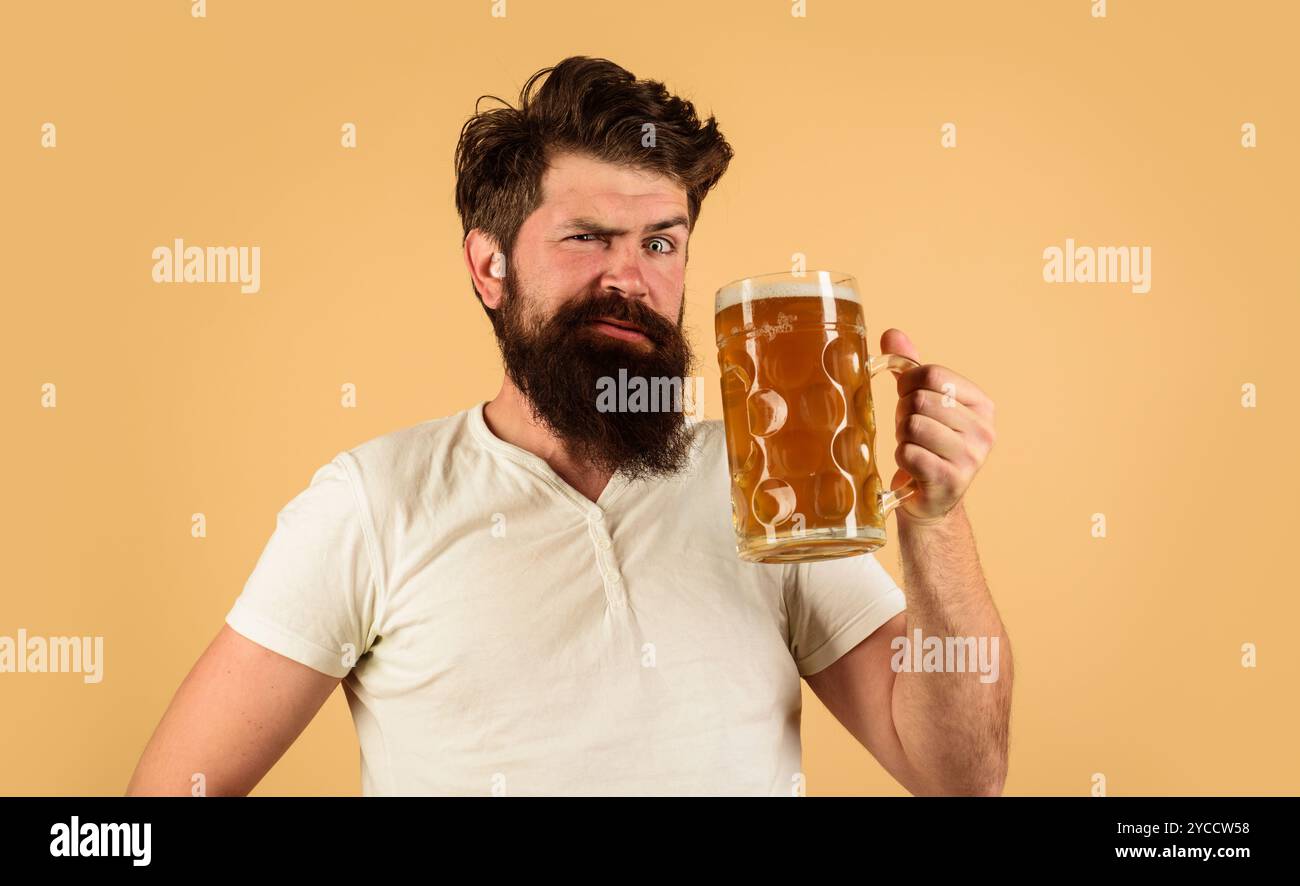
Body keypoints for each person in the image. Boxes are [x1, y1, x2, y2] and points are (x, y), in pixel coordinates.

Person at [127, 56, 1010, 797]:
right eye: (587, 238)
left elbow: (960, 775)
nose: (629, 277)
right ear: (489, 266)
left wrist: (933, 522)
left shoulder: (767, 485)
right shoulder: (374, 501)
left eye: (660, 243)